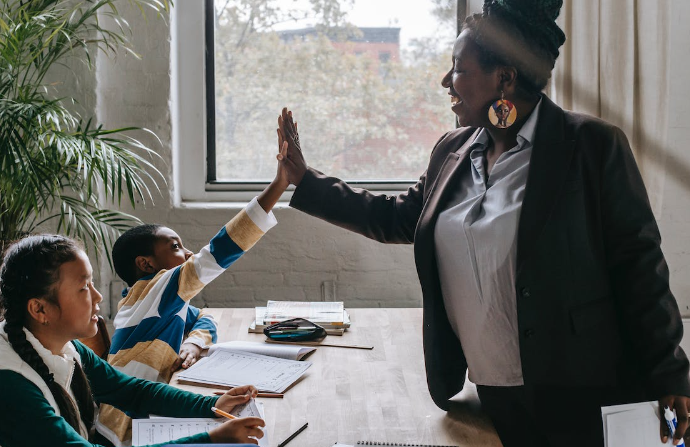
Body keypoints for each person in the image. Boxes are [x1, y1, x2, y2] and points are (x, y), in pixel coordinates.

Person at [275, 0, 690, 445]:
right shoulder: (452, 151)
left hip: (581, 394)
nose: (445, 81)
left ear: (504, 78)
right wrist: (305, 180)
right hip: (490, 392)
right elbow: (397, 218)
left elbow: (639, 266)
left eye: (458, 68)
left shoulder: (590, 147)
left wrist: (670, 374)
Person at [99, 142, 290, 445]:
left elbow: (203, 316)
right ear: (146, 264)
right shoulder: (154, 289)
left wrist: (194, 342)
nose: (187, 253)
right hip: (125, 428)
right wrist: (279, 186)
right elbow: (217, 253)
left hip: (145, 411)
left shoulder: (150, 299)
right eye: (175, 247)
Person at [0, 235, 265, 446]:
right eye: (83, 288)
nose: (98, 296)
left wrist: (211, 404)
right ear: (39, 310)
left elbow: (132, 392)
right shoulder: (12, 384)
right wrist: (210, 439)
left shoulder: (64, 346)